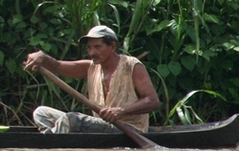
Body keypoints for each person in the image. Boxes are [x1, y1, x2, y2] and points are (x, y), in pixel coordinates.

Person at [23, 24, 160, 134]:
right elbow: (57, 65)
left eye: (97, 47)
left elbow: (152, 101)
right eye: (89, 47)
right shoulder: (90, 67)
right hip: (100, 127)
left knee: (73, 119)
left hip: (129, 129)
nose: (92, 52)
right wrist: (43, 58)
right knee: (41, 113)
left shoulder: (132, 66)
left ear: (112, 46)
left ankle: (51, 146)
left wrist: (120, 111)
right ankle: (52, 140)